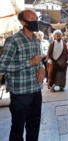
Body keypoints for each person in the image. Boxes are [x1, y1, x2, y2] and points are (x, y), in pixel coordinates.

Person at [0, 9, 45, 141]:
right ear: (22, 22)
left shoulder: (37, 40)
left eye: (36, 18)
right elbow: (2, 65)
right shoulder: (13, 41)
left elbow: (39, 61)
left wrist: (41, 68)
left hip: (36, 90)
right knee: (18, 128)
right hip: (20, 93)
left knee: (34, 125)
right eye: (31, 19)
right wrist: (29, 62)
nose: (35, 21)